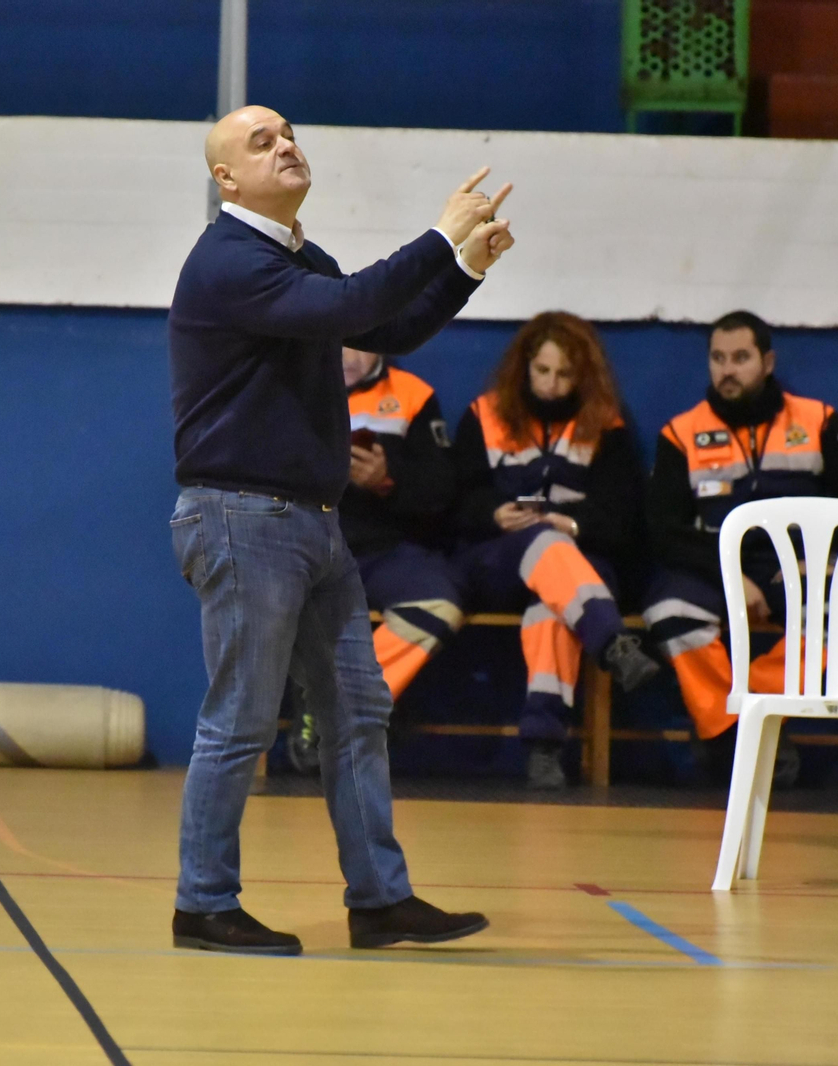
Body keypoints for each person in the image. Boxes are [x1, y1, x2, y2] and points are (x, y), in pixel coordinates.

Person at [168, 105, 512, 954]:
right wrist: (438, 236)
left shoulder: (290, 257)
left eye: (288, 134)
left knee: (357, 712)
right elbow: (359, 299)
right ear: (226, 180)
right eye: (261, 141)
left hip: (312, 524)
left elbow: (380, 327)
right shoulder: (227, 262)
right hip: (243, 516)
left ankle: (379, 900)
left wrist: (463, 267)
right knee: (240, 721)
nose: (285, 144)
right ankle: (202, 904)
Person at [642, 310, 838, 781]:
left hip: (796, 573)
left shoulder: (818, 420)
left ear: (767, 363)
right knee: (668, 616)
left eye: (740, 358)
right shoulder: (680, 433)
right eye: (718, 358)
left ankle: (735, 724)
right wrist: (729, 576)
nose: (727, 370)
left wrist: (824, 561)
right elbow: (661, 533)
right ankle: (739, 737)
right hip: (712, 572)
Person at [451, 311, 659, 789]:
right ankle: (614, 644)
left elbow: (623, 518)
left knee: (553, 609)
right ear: (524, 367)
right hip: (495, 561)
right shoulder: (484, 414)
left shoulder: (607, 425)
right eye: (542, 371)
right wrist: (494, 514)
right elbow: (454, 500)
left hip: (578, 562)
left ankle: (543, 747)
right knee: (542, 545)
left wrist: (571, 523)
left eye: (564, 374)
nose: (551, 383)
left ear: (582, 376)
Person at [286, 345, 464, 772]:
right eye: (338, 341)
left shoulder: (413, 395)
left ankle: (329, 701)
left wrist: (386, 482)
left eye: (361, 345)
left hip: (387, 552)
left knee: (440, 605)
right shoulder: (290, 388)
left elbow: (441, 493)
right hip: (310, 548)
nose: (348, 356)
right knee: (267, 599)